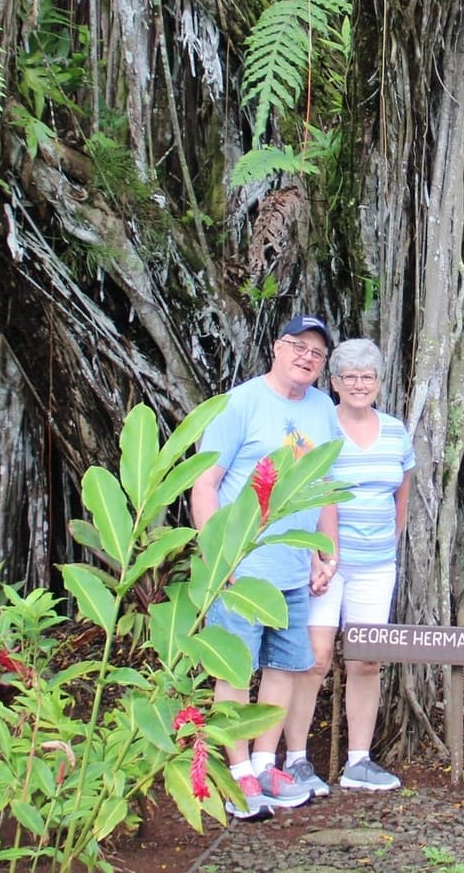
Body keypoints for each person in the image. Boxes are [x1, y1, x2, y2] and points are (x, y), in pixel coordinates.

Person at [191, 315, 342, 820]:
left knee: (284, 668)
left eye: (317, 353)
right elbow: (205, 483)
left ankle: (263, 762)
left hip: (293, 569)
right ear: (277, 348)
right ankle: (236, 775)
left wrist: (326, 553)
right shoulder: (241, 402)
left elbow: (321, 486)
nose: (306, 357)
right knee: (234, 671)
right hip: (241, 569)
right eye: (298, 346)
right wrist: (219, 556)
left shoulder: (323, 409)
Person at [283, 338, 416, 794]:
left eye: (368, 377)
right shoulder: (321, 427)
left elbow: (402, 493)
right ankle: (296, 760)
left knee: (365, 660)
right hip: (325, 563)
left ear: (379, 382)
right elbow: (304, 490)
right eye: (349, 377)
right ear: (334, 383)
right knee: (313, 659)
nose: (359, 384)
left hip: (377, 564)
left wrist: (389, 543)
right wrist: (319, 554)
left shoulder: (396, 430)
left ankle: (359, 760)